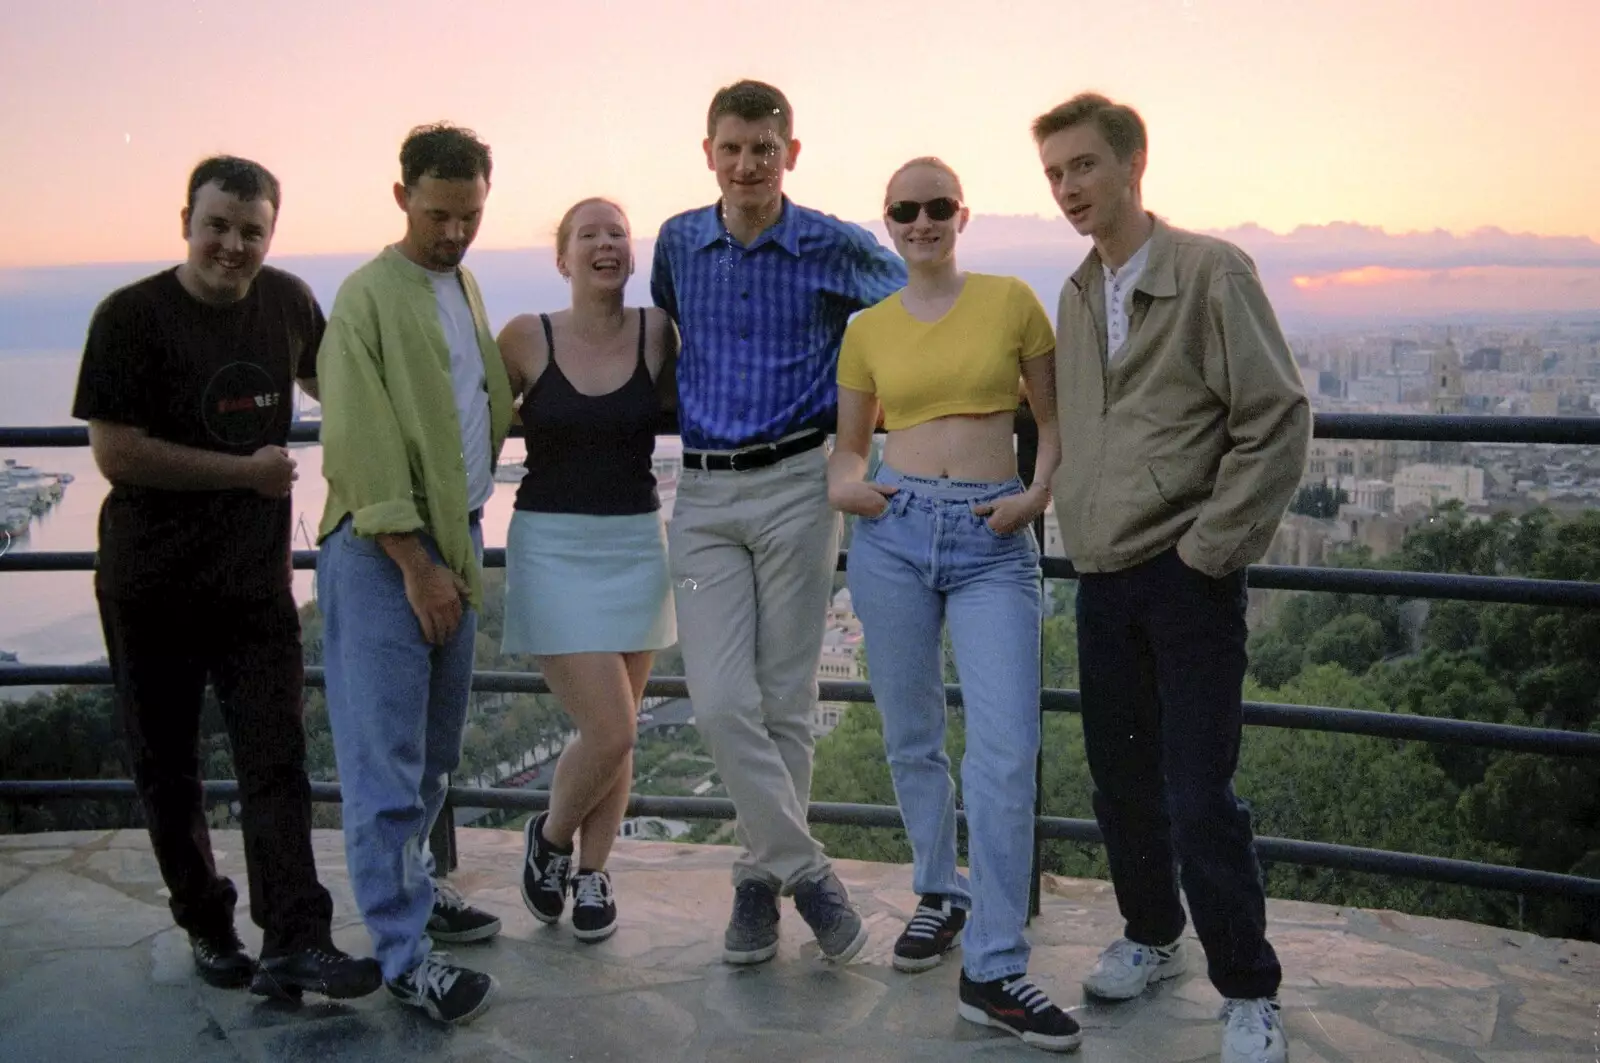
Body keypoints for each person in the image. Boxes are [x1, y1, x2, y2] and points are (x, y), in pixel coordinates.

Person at [1033, 93, 1311, 1063]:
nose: (1067, 188)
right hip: (1099, 576)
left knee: (1199, 791)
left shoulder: (1207, 271)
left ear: (1131, 163)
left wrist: (1208, 550)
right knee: (1119, 783)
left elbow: (1274, 417)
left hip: (1186, 578)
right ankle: (1152, 934)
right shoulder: (1073, 295)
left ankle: (1247, 988)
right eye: (1054, 173)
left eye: (1081, 166)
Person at [70, 155, 382, 1002]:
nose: (233, 245)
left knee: (275, 760)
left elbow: (338, 387)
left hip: (252, 586)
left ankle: (296, 937)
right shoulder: (130, 316)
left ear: (271, 232)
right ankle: (208, 923)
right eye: (218, 226)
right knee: (167, 764)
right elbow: (117, 451)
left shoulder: (287, 302)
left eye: (252, 230)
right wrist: (244, 472)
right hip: (149, 586)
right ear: (186, 222)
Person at [649, 79, 907, 965]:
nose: (748, 163)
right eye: (733, 147)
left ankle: (758, 888)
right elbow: (673, 325)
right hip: (707, 494)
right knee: (720, 700)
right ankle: (809, 873)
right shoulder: (680, 241)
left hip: (801, 480)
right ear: (709, 151)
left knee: (787, 700)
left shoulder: (835, 245)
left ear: (790, 153)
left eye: (765, 147)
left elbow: (915, 311)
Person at [830, 157, 1078, 1053]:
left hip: (992, 535)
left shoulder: (1012, 301)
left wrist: (1036, 497)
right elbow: (847, 450)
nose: (923, 221)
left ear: (961, 215)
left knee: (1007, 752)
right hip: (895, 535)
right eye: (907, 209)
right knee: (911, 734)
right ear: (888, 220)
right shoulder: (867, 328)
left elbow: (1050, 427)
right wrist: (851, 489)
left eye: (939, 207)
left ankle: (997, 963)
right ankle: (940, 891)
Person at [315, 123, 513, 1026]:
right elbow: (357, 442)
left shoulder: (463, 282)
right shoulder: (364, 298)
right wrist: (416, 564)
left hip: (455, 545)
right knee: (385, 762)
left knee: (432, 753)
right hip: (386, 554)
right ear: (401, 198)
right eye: (438, 214)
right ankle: (402, 953)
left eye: (469, 214)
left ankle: (419, 890)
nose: (455, 231)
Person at [499, 197, 678, 944]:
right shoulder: (524, 338)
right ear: (562, 256)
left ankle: (593, 870)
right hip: (552, 548)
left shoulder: (659, 332)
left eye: (617, 235)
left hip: (636, 543)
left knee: (621, 730)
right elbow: (463, 415)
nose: (605, 244)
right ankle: (548, 838)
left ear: (632, 258)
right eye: (588, 234)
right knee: (610, 727)